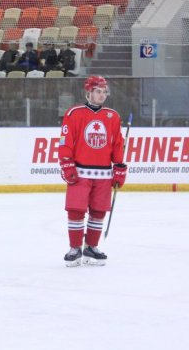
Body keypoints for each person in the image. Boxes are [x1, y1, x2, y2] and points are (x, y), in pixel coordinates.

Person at [58, 76, 126, 267]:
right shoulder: (74, 113)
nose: (102, 95)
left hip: (103, 174)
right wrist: (66, 162)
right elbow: (65, 140)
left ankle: (91, 247)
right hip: (80, 172)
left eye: (105, 92)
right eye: (98, 91)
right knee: (76, 210)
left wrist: (119, 166)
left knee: (98, 211)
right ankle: (75, 248)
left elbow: (117, 144)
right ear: (88, 92)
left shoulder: (112, 116)